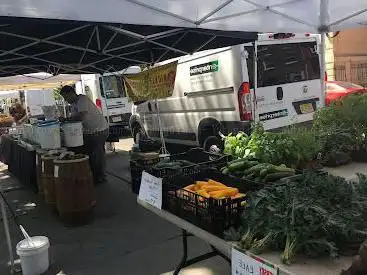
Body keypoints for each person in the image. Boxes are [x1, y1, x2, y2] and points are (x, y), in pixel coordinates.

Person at [60, 85, 109, 184]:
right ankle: (93, 175)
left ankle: (100, 177)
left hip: (99, 130)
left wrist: (66, 120)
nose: (66, 100)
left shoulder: (82, 99)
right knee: (90, 153)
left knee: (97, 153)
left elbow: (82, 116)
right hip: (89, 132)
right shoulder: (73, 105)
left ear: (71, 93)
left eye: (66, 97)